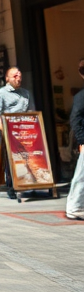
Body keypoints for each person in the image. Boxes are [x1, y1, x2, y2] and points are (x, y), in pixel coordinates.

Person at [0, 66, 33, 199]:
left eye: (19, 75)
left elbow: (31, 112)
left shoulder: (26, 93)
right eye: (15, 76)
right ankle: (11, 185)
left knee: (30, 155)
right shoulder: (0, 94)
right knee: (10, 156)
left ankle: (31, 183)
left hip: (23, 130)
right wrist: (5, 130)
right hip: (5, 128)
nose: (18, 78)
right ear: (7, 78)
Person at [66, 59, 84, 221]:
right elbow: (75, 119)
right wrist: (82, 141)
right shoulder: (81, 96)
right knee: (81, 175)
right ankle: (75, 207)